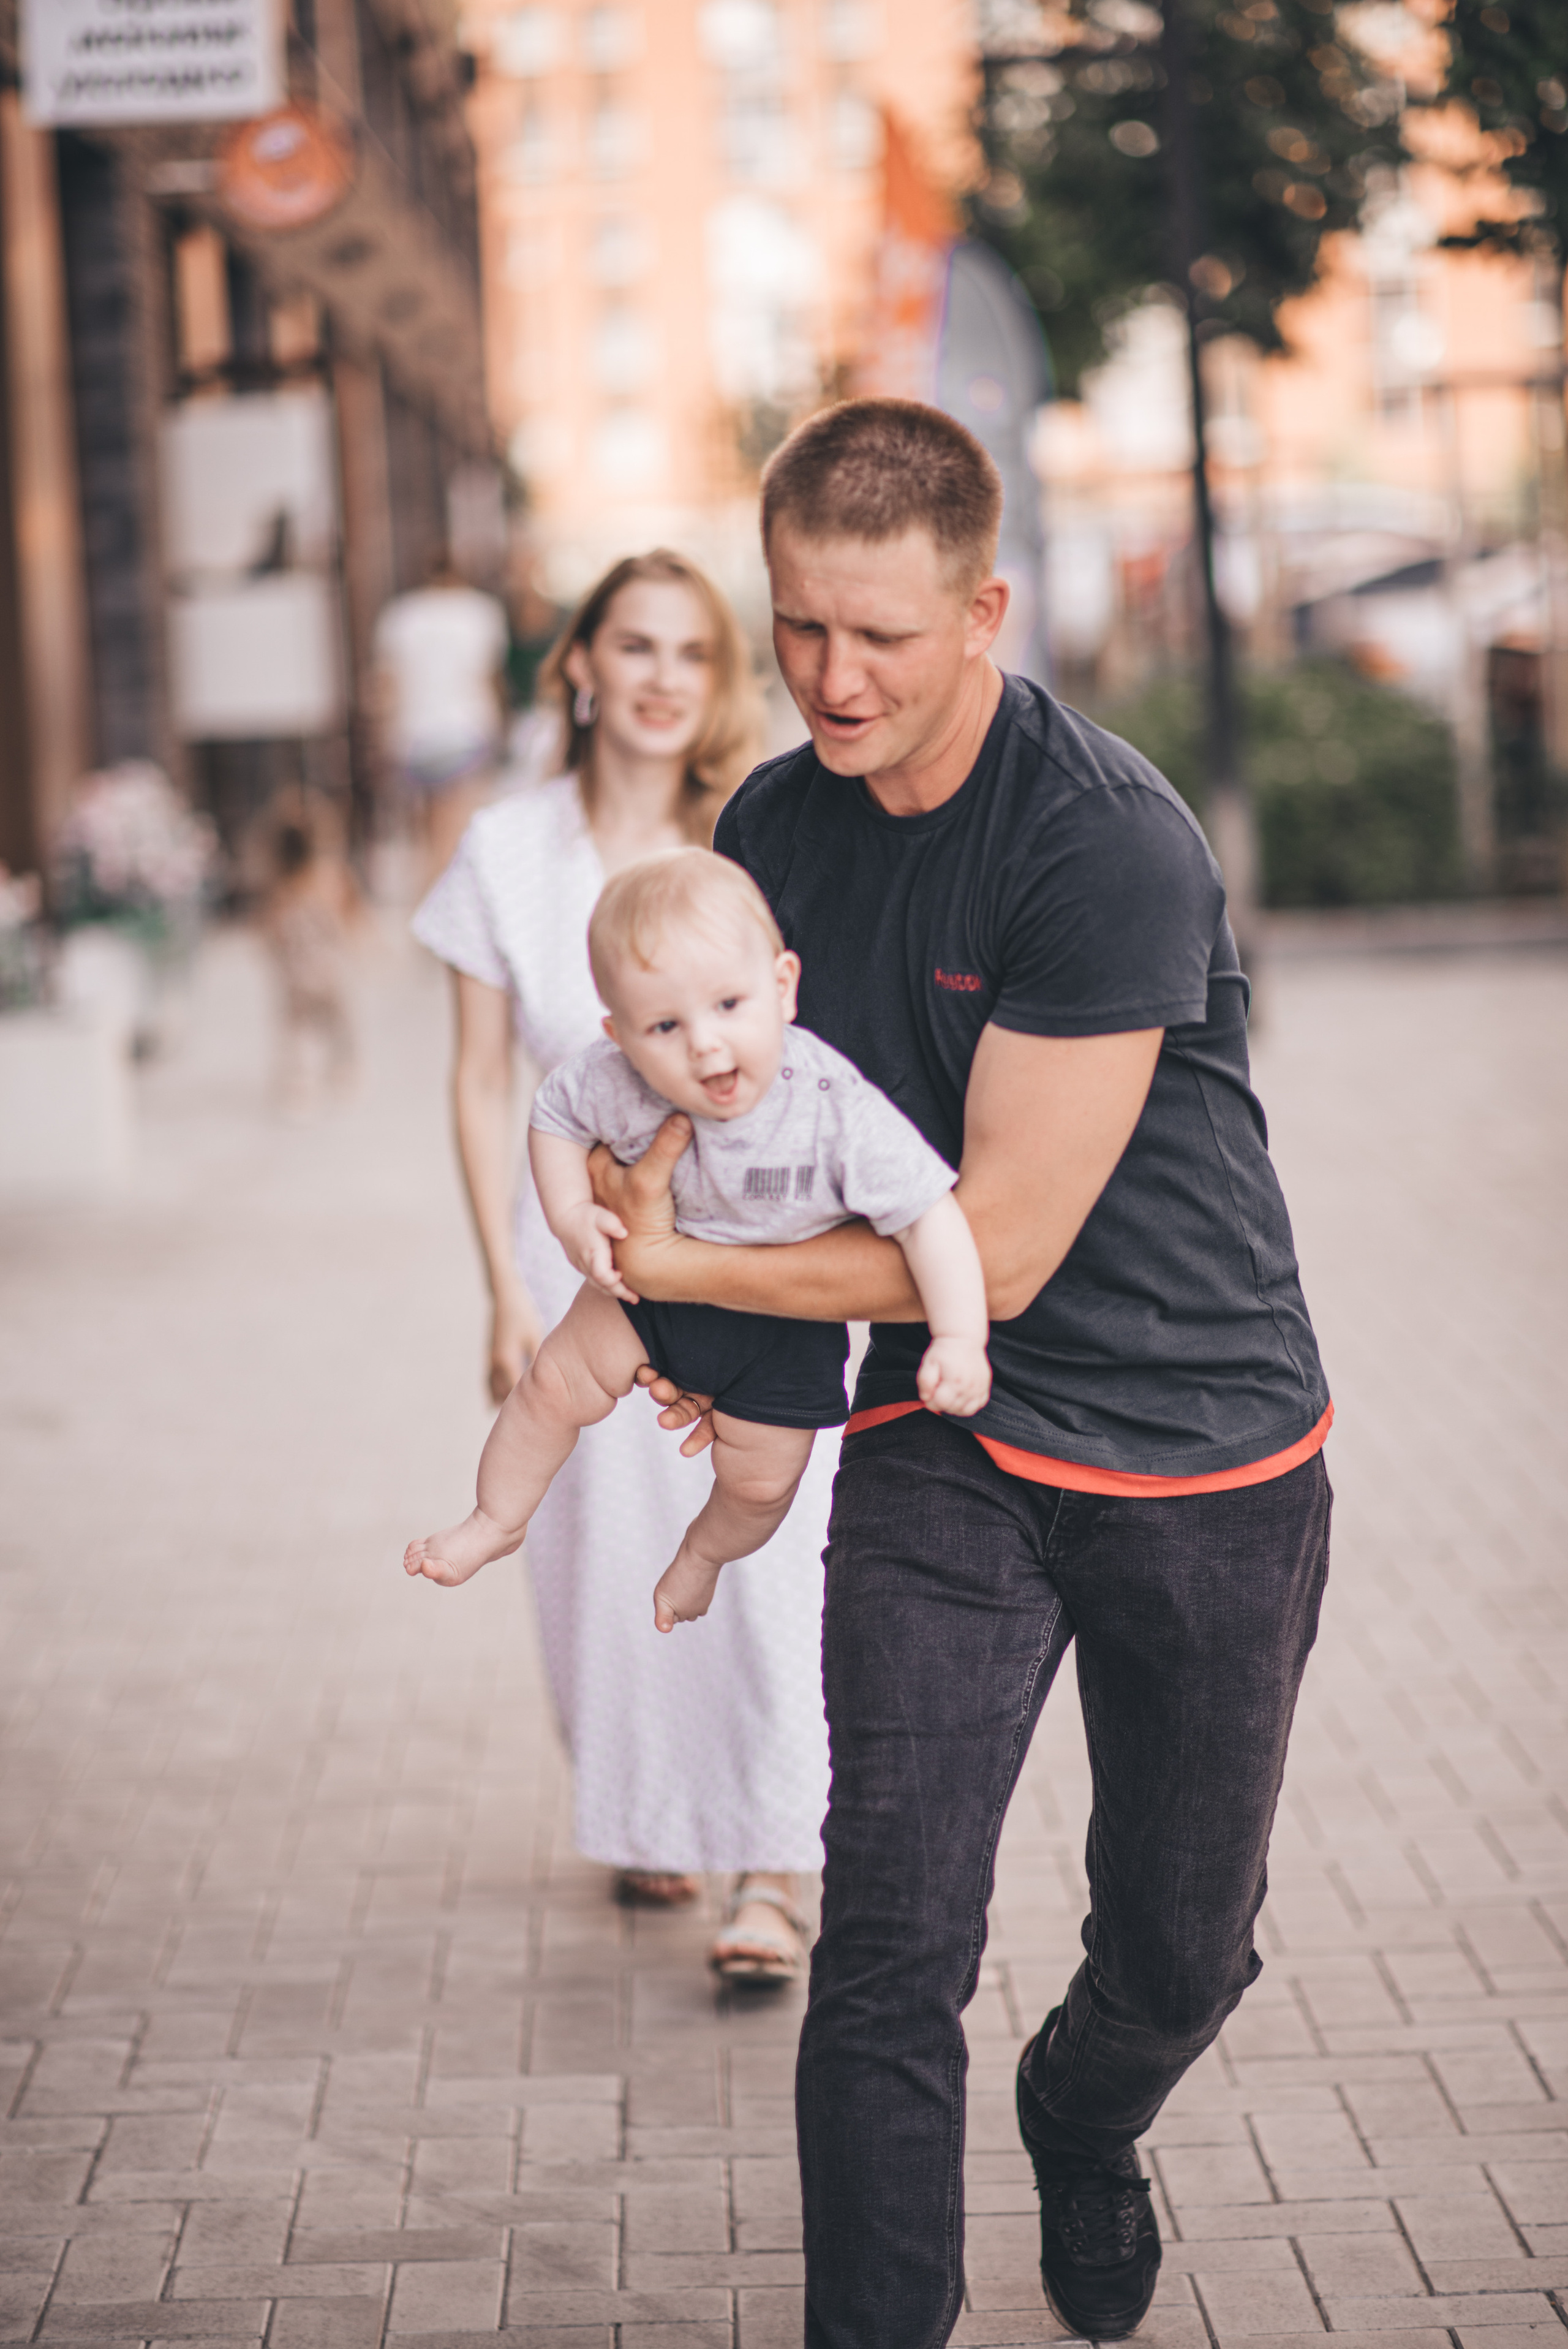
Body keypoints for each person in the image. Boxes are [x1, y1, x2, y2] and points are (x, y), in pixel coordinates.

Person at [586, 402, 1334, 2346]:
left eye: (882, 639)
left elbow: (995, 1244)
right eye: (799, 629)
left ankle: (1083, 2120)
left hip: (1199, 1448)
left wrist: (686, 1264)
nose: (831, 680)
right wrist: (684, 1319)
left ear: (984, 608)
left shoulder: (1102, 844)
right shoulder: (765, 831)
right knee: (890, 1943)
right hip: (944, 1431)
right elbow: (753, 1143)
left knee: (1179, 1954)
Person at [410, 550, 832, 1983]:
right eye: (633, 645)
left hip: (744, 1245)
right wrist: (500, 1285)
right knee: (603, 1567)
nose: (660, 676)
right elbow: (480, 1085)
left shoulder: (754, 834)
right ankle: (658, 1806)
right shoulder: (504, 850)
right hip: (574, 1249)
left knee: (763, 1552)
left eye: (691, 653)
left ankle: (778, 1862)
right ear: (579, 665)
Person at [403, 847, 989, 1625]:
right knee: (549, 1388)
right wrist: (572, 1216)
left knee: (761, 1481)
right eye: (665, 1026)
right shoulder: (612, 1077)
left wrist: (958, 1336)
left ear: (782, 988)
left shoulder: (831, 1106)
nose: (705, 1045)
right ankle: (496, 1519)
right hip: (644, 1293)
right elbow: (552, 1116)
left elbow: (927, 1214)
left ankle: (703, 1555)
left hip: (784, 1320)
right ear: (619, 1034)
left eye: (728, 1006)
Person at [374, 554, 510, 882]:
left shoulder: (401, 615)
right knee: (455, 827)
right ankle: (445, 901)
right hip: (466, 729)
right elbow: (488, 676)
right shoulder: (481, 612)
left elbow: (388, 683)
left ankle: (430, 893)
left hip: (414, 734)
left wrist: (384, 734)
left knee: (424, 831)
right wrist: (501, 725)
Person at [257, 792, 358, 1113]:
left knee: (299, 1032)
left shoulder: (278, 889)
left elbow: (268, 934)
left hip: (295, 976)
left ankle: (301, 1087)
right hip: (331, 972)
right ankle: (343, 1074)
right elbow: (350, 922)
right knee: (339, 1025)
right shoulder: (332, 879)